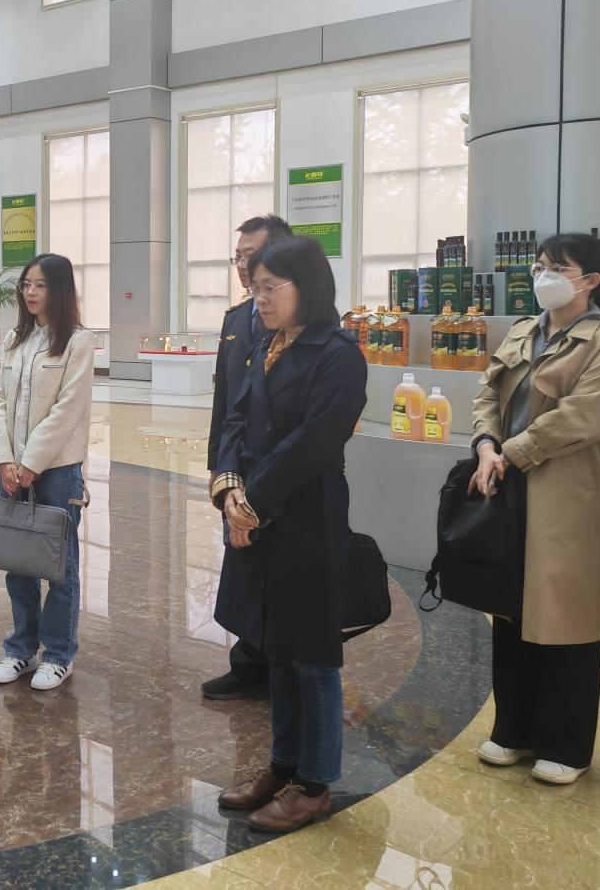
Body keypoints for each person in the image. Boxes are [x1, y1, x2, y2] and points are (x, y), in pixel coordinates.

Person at [211, 234, 367, 833]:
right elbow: (235, 419)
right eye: (256, 288)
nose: (261, 298)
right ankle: (282, 766)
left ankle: (315, 783)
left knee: (313, 657)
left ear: (309, 286)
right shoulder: (265, 345)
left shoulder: (339, 354)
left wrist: (253, 502)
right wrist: (229, 489)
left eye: (272, 287)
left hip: (307, 517)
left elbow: (314, 442)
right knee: (278, 648)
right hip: (258, 513)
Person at [470, 232, 600, 785]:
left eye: (558, 268)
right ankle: (513, 729)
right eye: (540, 265)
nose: (544, 276)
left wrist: (511, 452)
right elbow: (487, 394)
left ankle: (566, 744)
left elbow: (583, 417)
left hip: (568, 494)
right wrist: (486, 445)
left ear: (590, 280)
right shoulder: (523, 330)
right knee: (512, 606)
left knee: (566, 612)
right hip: (508, 482)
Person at [0, 253, 96, 691]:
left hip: (56, 471)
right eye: (26, 284)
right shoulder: (15, 338)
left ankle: (58, 654)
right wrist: (4, 459)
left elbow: (67, 409)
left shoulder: (78, 342)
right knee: (18, 565)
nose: (30, 292)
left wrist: (31, 462)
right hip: (11, 470)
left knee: (59, 567)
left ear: (60, 289)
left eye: (40, 285)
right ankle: (20, 649)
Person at [203, 213, 291, 701]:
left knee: (280, 568)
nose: (242, 265)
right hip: (237, 468)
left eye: (250, 255)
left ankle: (282, 664)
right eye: (237, 257)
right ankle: (248, 661)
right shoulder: (236, 320)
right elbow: (225, 402)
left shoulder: (305, 323)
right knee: (241, 561)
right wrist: (219, 467)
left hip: (281, 472)